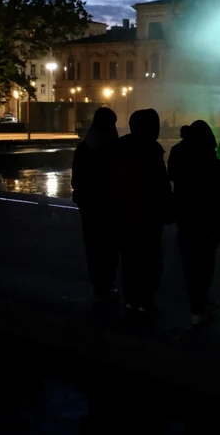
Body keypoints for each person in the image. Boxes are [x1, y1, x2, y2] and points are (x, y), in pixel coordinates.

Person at [113, 109, 173, 316]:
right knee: (150, 260)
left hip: (124, 213)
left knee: (129, 258)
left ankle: (131, 300)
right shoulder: (151, 150)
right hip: (148, 215)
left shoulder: (121, 147)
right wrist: (167, 210)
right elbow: (161, 185)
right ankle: (146, 301)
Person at [168, 120, 220, 326]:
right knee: (205, 264)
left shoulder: (177, 152)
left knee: (190, 264)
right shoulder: (207, 157)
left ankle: (197, 304)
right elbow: (218, 188)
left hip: (185, 217)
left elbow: (172, 175)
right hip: (206, 219)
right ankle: (200, 306)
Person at [71, 107, 120, 301]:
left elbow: (76, 178)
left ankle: (98, 284)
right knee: (110, 246)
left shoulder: (84, 147)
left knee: (93, 245)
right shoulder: (114, 148)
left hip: (89, 205)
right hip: (109, 204)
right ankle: (107, 283)